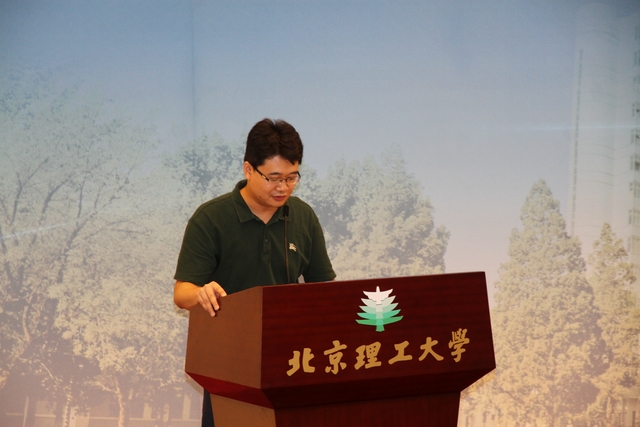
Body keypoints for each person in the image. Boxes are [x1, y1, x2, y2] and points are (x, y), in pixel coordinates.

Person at [173, 118, 336, 427]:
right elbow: (182, 293)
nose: (283, 187)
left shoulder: (302, 216)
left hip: (291, 362)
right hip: (229, 365)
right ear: (248, 169)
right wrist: (201, 293)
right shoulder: (211, 218)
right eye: (273, 178)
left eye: (291, 177)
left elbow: (325, 291)